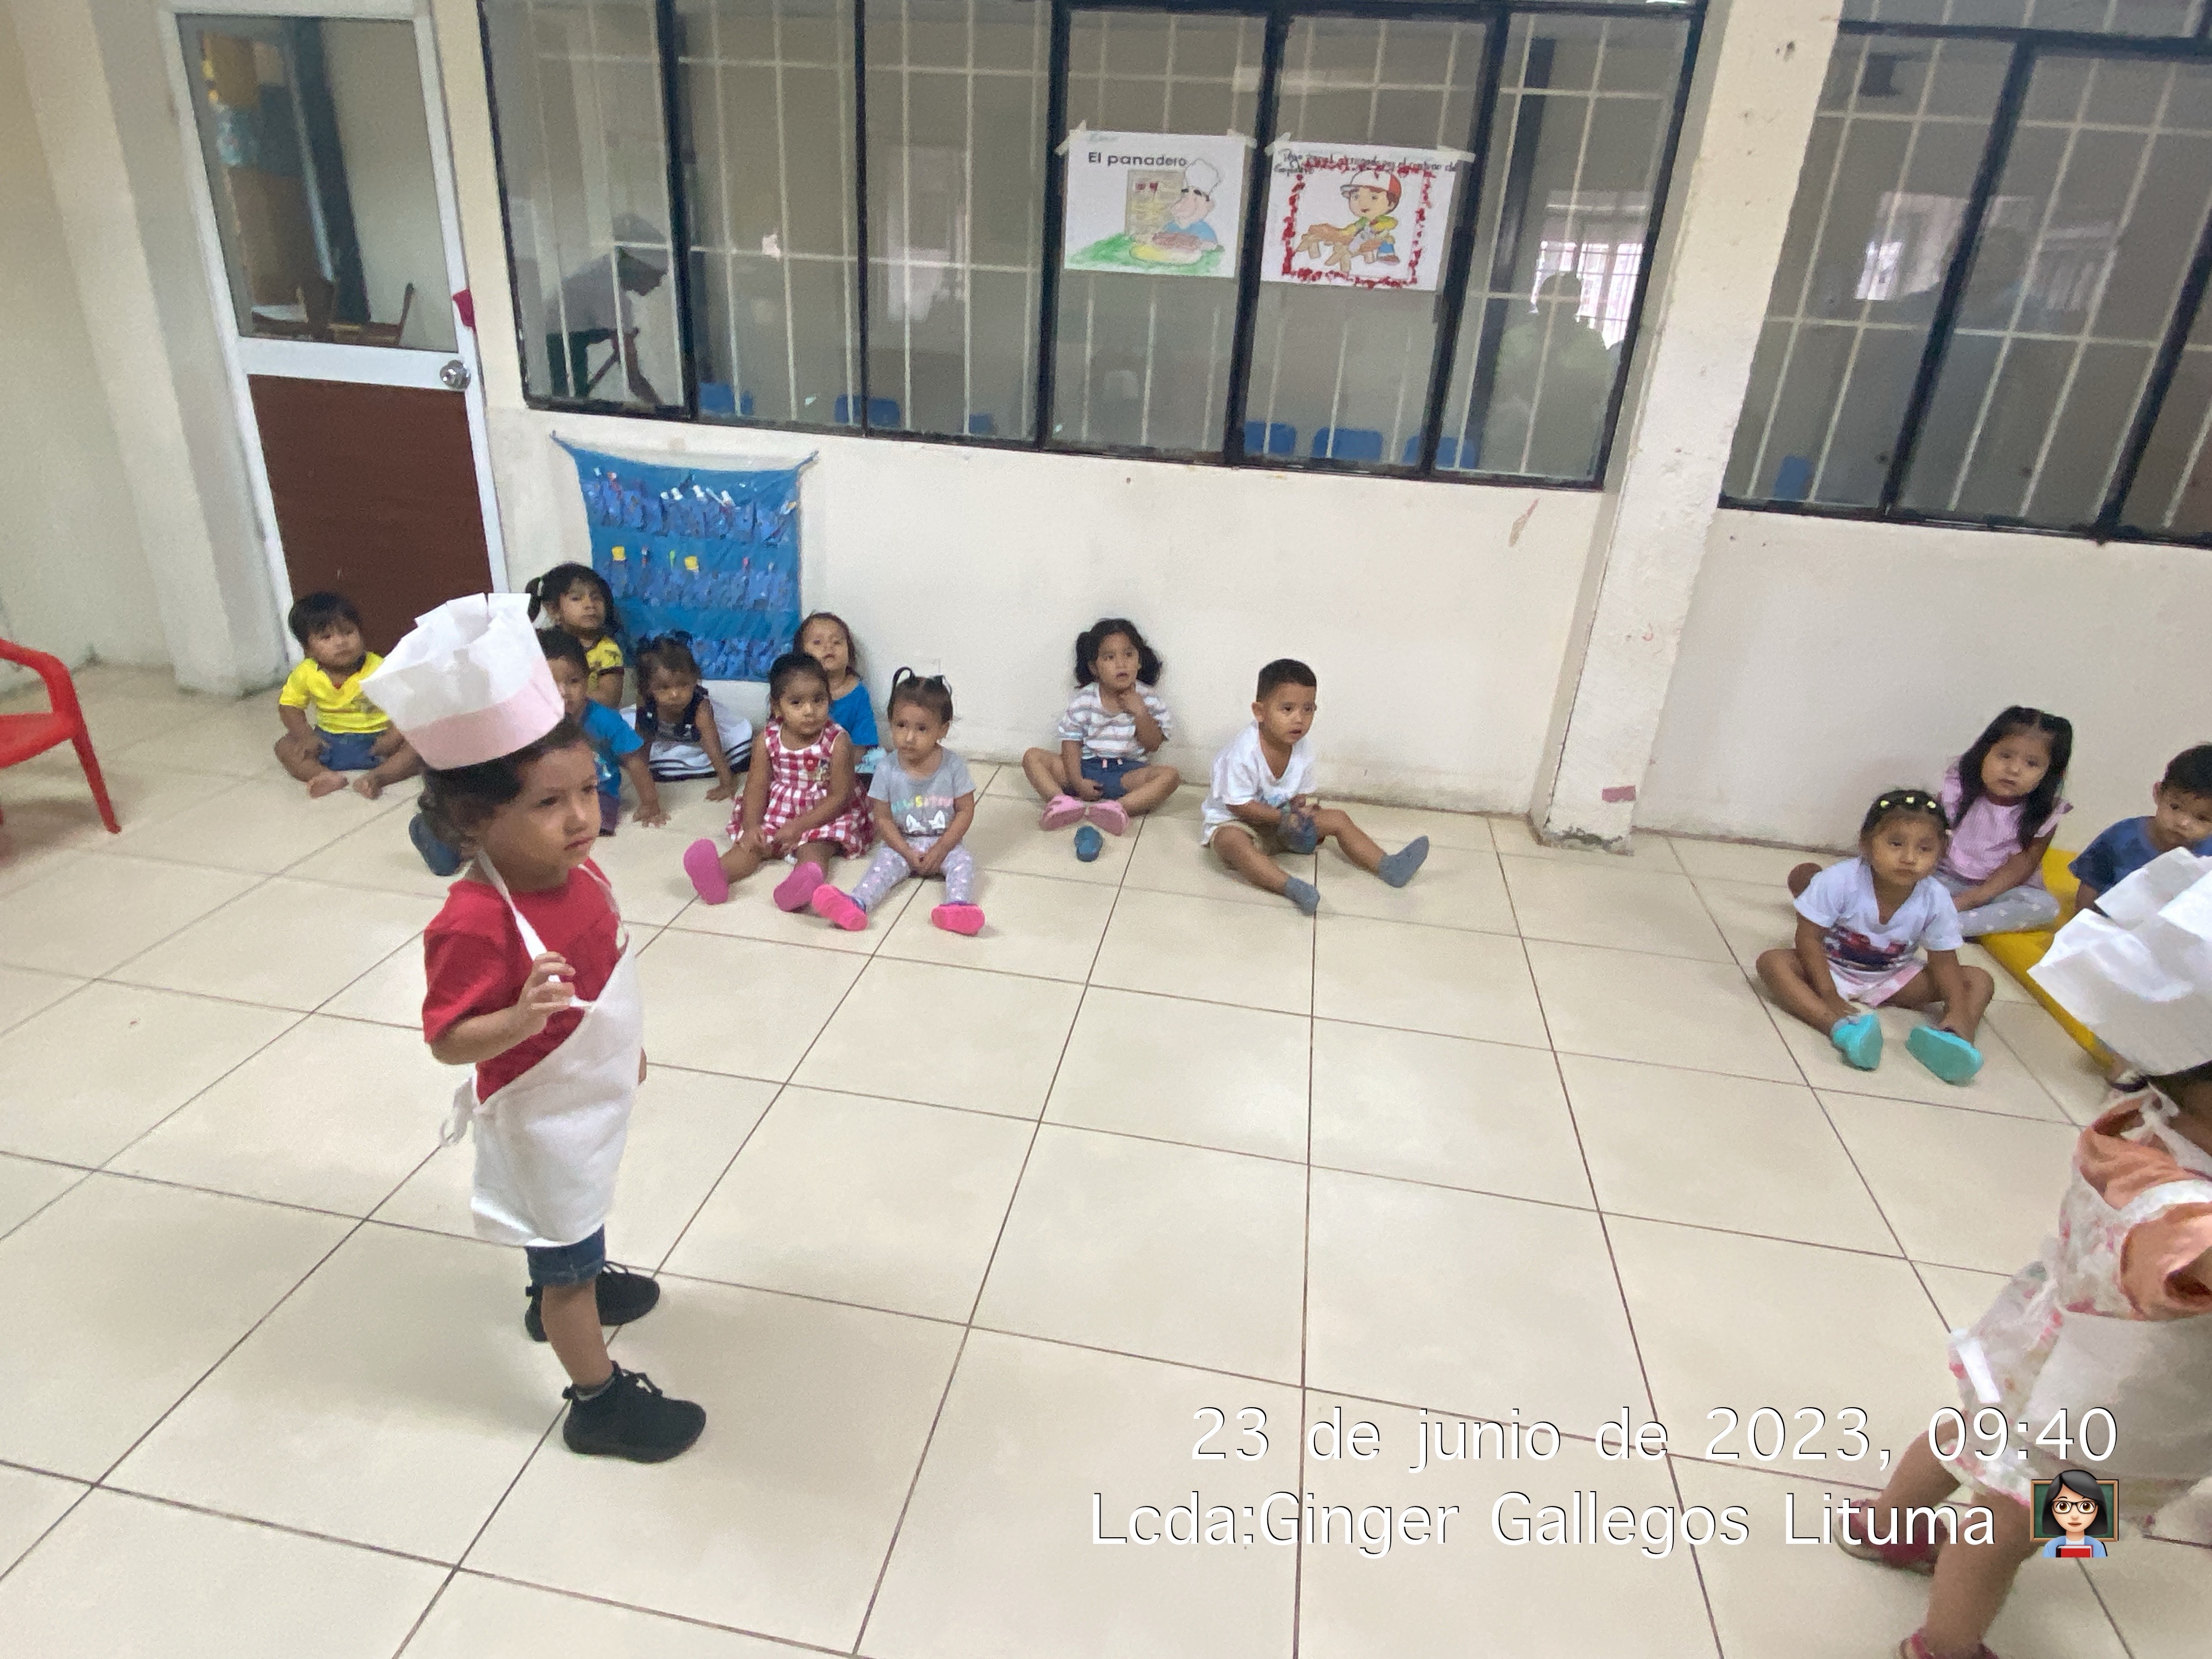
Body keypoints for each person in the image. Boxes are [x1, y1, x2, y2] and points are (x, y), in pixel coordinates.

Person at [1835, 849, 2212, 1659]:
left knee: (1968, 1435)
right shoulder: (2182, 1213)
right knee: (2012, 1523)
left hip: (2039, 1346)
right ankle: (1946, 1645)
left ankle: (1888, 1524)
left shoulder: (2141, 1120)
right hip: (2103, 1408)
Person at [368, 593, 705, 1463]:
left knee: (578, 1218)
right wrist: (518, 1018)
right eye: (550, 803)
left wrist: (624, 1047)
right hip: (542, 1116)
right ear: (477, 819)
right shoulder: (475, 920)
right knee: (566, 1251)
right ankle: (597, 1401)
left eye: (587, 790)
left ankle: (562, 1279)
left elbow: (602, 970)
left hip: (587, 1092)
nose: (583, 817)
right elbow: (447, 1038)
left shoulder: (574, 871)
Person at [1757, 788, 1994, 1084]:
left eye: (1924, 849)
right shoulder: (1840, 880)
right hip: (1829, 968)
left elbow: (1944, 962)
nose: (1909, 858)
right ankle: (1840, 1029)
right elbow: (1808, 939)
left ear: (1942, 852)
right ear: (1866, 844)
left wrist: (1958, 1008)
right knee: (1772, 963)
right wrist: (1828, 993)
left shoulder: (1936, 898)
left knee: (1979, 980)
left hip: (1891, 977)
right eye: (1896, 844)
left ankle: (1954, 1038)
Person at [1790, 707, 2073, 938]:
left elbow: (2022, 866)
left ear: (2051, 774)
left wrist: (1971, 899)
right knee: (1888, 876)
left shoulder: (2045, 813)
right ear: (1984, 753)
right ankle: (1831, 896)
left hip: (1995, 891)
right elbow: (1925, 840)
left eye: (2032, 764)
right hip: (1941, 878)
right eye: (2005, 756)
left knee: (2043, 907)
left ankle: (1935, 927)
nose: (2014, 769)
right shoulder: (1958, 790)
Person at [1201, 658, 1428, 916]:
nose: (1299, 719)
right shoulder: (1242, 753)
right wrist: (1283, 818)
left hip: (1280, 821)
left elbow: (1295, 795)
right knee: (1231, 843)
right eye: (1288, 709)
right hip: (1238, 822)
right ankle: (1291, 887)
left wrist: (1300, 813)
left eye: (1308, 710)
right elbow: (1239, 806)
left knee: (1337, 818)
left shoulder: (1303, 748)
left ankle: (1388, 866)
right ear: (1260, 712)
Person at [680, 651, 872, 907]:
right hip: (779, 810)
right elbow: (756, 787)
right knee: (752, 846)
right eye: (796, 703)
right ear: (777, 706)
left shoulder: (838, 740)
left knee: (816, 848)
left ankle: (800, 888)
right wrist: (752, 828)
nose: (810, 711)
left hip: (823, 813)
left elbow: (841, 796)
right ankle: (718, 875)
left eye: (819, 700)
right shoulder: (767, 739)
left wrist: (800, 826)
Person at [809, 669, 983, 936]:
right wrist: (905, 851)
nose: (909, 737)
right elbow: (883, 817)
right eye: (901, 726)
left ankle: (957, 907)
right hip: (901, 843)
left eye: (922, 729)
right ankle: (856, 904)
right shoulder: (886, 768)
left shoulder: (953, 766)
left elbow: (965, 810)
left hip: (945, 842)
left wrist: (942, 848)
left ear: (943, 729)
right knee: (880, 869)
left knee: (964, 863)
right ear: (890, 722)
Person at [1023, 617, 1181, 837]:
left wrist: (1141, 713)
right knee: (1032, 757)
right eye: (1110, 657)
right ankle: (1061, 803)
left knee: (1170, 776)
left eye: (1129, 655)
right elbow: (1071, 744)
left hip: (1127, 773)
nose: (1121, 664)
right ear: (1094, 668)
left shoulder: (1149, 699)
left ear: (1140, 661)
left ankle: (1117, 809)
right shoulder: (1086, 699)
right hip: (1086, 768)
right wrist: (1077, 781)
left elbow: (1153, 745)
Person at [273, 591, 420, 800]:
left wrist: (393, 737)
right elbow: (289, 707)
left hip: (378, 742)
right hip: (328, 741)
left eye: (348, 632)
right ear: (307, 649)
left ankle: (377, 778)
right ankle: (324, 776)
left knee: (419, 747)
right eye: (326, 637)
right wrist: (306, 736)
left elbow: (406, 705)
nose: (341, 642)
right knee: (285, 746)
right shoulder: (305, 673)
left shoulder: (380, 668)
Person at [543, 630, 666, 836]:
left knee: (591, 824)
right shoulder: (537, 722)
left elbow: (634, 761)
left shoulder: (605, 720)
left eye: (574, 681)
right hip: (556, 790)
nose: (564, 692)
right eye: (551, 684)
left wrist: (650, 803)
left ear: (587, 679)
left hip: (598, 791)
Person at [2068, 743, 2212, 915]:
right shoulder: (2122, 838)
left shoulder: (2209, 855)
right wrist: (2080, 921)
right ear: (2158, 793)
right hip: (2111, 924)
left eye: (2202, 818)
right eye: (2175, 807)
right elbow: (2092, 884)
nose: (2183, 822)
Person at [545, 216, 669, 404]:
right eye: (656, 275)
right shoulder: (609, 293)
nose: (658, 283)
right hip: (555, 351)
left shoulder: (602, 271)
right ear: (637, 266)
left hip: (562, 343)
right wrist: (662, 410)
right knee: (572, 404)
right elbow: (633, 378)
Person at [632, 633, 747, 799]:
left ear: (694, 680)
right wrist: (646, 792)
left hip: (700, 736)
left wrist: (727, 783)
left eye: (683, 685)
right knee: (629, 751)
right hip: (665, 737)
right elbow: (643, 744)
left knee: (735, 752)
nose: (675, 694)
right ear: (647, 689)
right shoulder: (646, 704)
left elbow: (713, 747)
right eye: (664, 688)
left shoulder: (700, 709)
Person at [795, 611, 880, 800]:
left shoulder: (858, 692)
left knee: (880, 761)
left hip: (844, 763)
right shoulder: (796, 690)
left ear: (850, 653)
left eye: (837, 642)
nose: (828, 647)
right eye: (817, 642)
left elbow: (862, 743)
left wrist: (839, 770)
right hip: (801, 761)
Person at [527, 563, 625, 709]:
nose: (590, 604)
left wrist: (566, 697)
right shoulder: (543, 644)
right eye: (576, 598)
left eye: (596, 598)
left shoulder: (607, 650)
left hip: (590, 720)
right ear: (554, 610)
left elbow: (609, 698)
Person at [2036, 1471, 2109, 1559]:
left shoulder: (2098, 1547)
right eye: (2063, 1506)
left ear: (2097, 1509)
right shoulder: (2051, 1547)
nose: (2075, 1516)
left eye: (2086, 1506)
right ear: (2051, 1509)